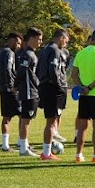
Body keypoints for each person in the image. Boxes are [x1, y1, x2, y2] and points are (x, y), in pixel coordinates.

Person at [71, 27, 95, 163]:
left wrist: (81, 87)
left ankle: (79, 155)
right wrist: (89, 87)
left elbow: (74, 75)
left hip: (84, 95)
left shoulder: (80, 53)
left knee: (82, 126)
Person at [37, 28, 70, 160]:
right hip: (52, 88)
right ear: (61, 38)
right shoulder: (54, 50)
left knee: (52, 120)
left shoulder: (46, 49)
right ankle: (46, 153)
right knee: (51, 121)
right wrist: (58, 85)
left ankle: (47, 151)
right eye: (66, 41)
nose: (66, 45)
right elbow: (53, 70)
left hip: (46, 86)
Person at [16, 27, 43, 157]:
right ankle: (23, 149)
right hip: (28, 92)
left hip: (32, 91)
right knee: (26, 120)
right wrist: (16, 85)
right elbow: (21, 72)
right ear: (31, 39)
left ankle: (25, 146)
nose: (40, 42)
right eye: (38, 39)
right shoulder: (27, 55)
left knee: (27, 119)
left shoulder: (31, 54)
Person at [0, 32, 23, 152]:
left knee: (6, 117)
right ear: (11, 41)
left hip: (2, 88)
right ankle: (21, 142)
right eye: (17, 43)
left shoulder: (2, 52)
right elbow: (8, 69)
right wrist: (12, 85)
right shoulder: (9, 53)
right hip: (9, 89)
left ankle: (5, 145)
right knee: (23, 115)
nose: (18, 46)